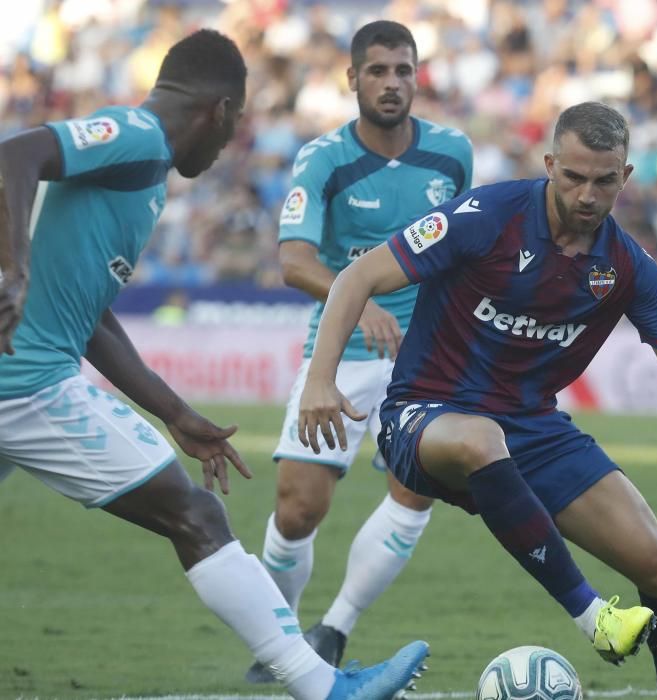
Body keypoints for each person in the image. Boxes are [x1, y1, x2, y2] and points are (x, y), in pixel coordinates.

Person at [296, 102, 657, 700]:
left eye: (604, 180)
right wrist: (319, 381)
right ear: (550, 163)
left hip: (532, 429)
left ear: (626, 176)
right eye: (574, 177)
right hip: (425, 413)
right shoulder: (486, 217)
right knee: (481, 438)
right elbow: (356, 278)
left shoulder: (628, 267)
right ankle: (593, 618)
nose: (588, 194)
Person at [0, 29, 428, 700]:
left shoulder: (142, 180)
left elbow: (91, 319)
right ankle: (325, 687)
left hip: (27, 377)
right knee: (194, 514)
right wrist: (14, 268)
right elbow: (13, 154)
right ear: (218, 111)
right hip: (25, 386)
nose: (227, 147)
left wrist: (175, 412)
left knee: (191, 510)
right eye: (231, 132)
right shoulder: (137, 137)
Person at [245, 19, 473, 683]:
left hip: (424, 357)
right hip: (340, 351)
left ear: (415, 75)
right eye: (377, 71)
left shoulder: (452, 154)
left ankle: (335, 628)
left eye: (403, 70)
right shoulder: (323, 158)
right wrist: (361, 298)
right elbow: (292, 261)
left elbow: (463, 250)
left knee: (412, 494)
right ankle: (277, 637)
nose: (392, 83)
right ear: (352, 79)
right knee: (297, 507)